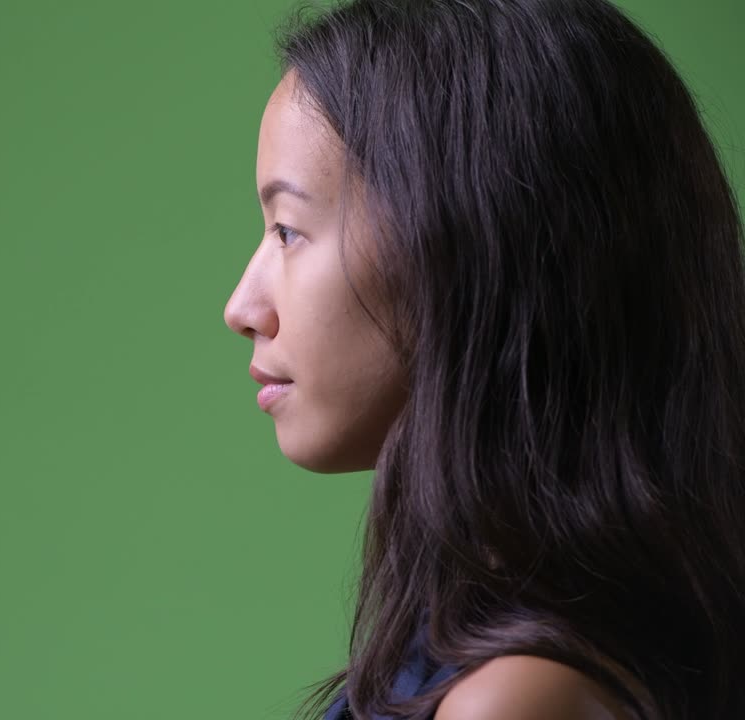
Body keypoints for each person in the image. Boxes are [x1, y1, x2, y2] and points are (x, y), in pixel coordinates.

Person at [222, 0, 745, 718]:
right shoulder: (514, 642)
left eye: (287, 230)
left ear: (465, 248)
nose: (242, 307)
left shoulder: (515, 697)